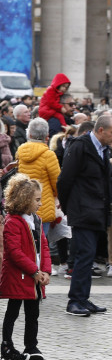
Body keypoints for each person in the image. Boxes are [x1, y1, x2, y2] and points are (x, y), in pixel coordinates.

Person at [56, 113, 112, 317]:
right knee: (84, 254)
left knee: (89, 257)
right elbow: (64, 179)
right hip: (82, 210)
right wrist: (69, 207)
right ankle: (75, 301)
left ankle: (83, 297)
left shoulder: (104, 149)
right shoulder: (80, 146)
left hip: (97, 211)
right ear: (101, 130)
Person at [0, 174, 51, 360]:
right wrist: (34, 271)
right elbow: (14, 252)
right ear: (25, 199)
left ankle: (31, 346)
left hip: (34, 277)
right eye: (37, 200)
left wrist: (45, 270)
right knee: (12, 311)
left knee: (33, 313)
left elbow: (44, 246)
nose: (40, 203)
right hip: (19, 276)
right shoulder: (13, 222)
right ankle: (7, 345)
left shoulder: (36, 220)